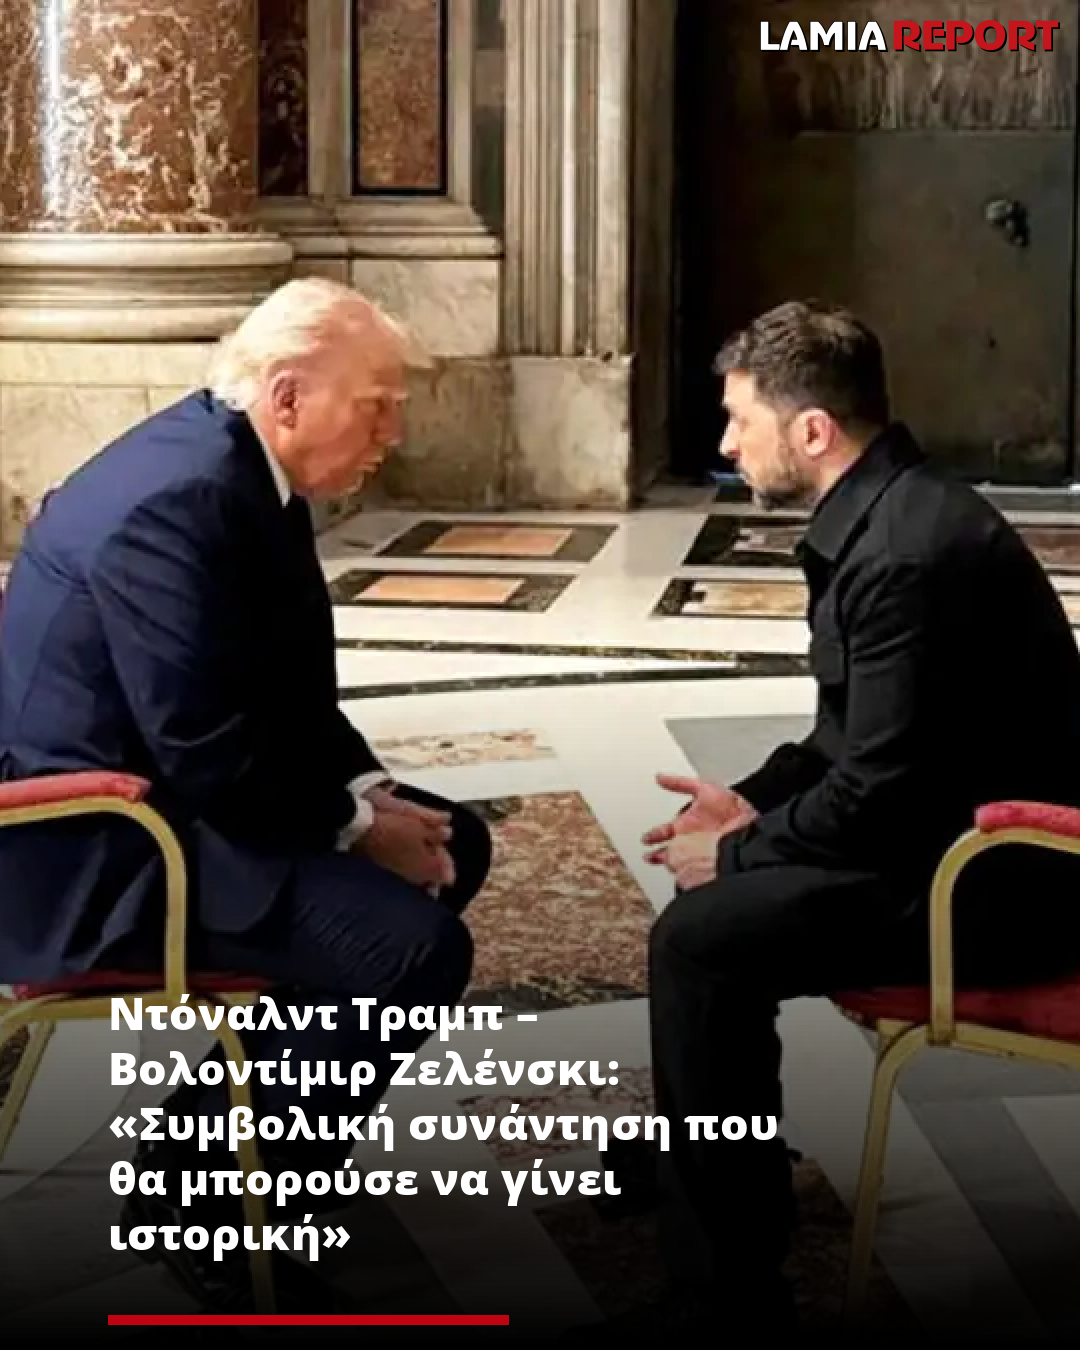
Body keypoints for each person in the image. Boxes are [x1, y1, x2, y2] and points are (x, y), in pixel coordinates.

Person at [0, 278, 493, 1312]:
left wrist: (369, 792)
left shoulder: (240, 468)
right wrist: (356, 828)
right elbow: (203, 744)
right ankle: (211, 1210)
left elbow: (287, 692)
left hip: (175, 798)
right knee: (411, 952)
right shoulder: (178, 499)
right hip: (98, 847)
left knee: (459, 843)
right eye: (377, 405)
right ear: (287, 394)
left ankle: (207, 1156)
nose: (392, 433)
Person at [637, 300, 1080, 1334]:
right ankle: (717, 1183)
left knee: (701, 942)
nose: (725, 444)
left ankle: (729, 1296)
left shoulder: (905, 555)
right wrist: (751, 802)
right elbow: (848, 742)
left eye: (739, 420)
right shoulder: (890, 517)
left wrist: (738, 854)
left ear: (812, 430)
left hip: (996, 885)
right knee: (711, 927)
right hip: (941, 840)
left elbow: (877, 792)